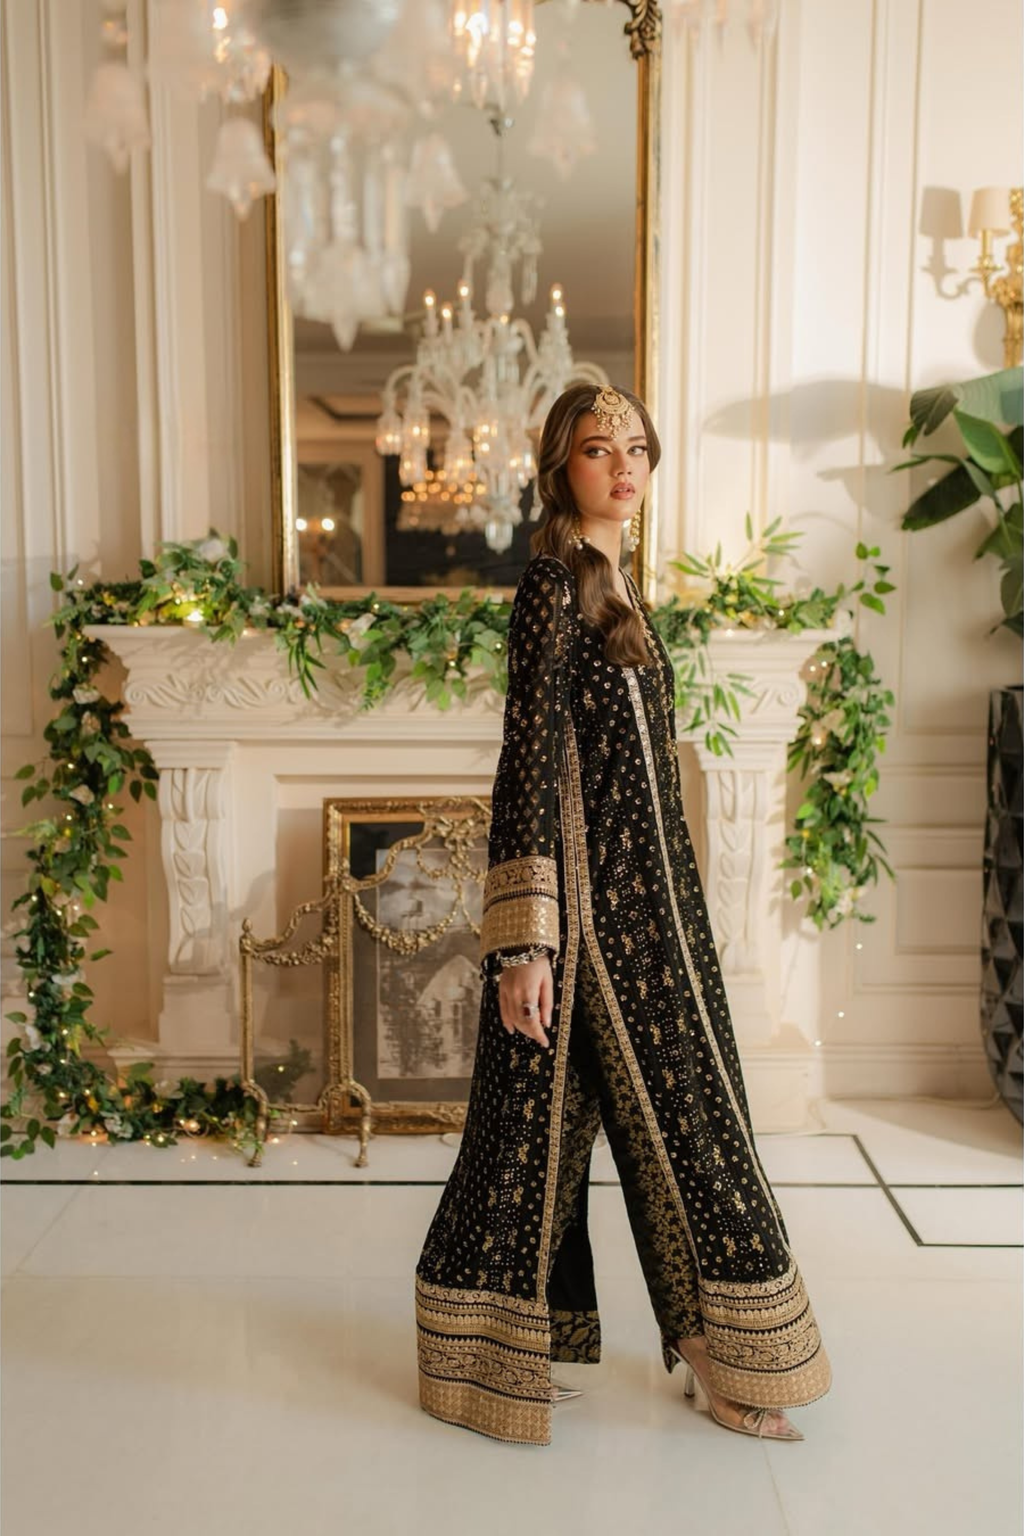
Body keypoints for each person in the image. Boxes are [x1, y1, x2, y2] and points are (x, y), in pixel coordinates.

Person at [414, 383, 831, 1447]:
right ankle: (672, 1356)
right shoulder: (551, 588)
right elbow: (529, 764)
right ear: (563, 467)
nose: (624, 467)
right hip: (590, 923)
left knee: (634, 1125)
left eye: (636, 447)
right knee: (619, 1129)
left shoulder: (617, 586)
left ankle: (695, 1351)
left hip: (658, 917)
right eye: (599, 450)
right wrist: (523, 942)